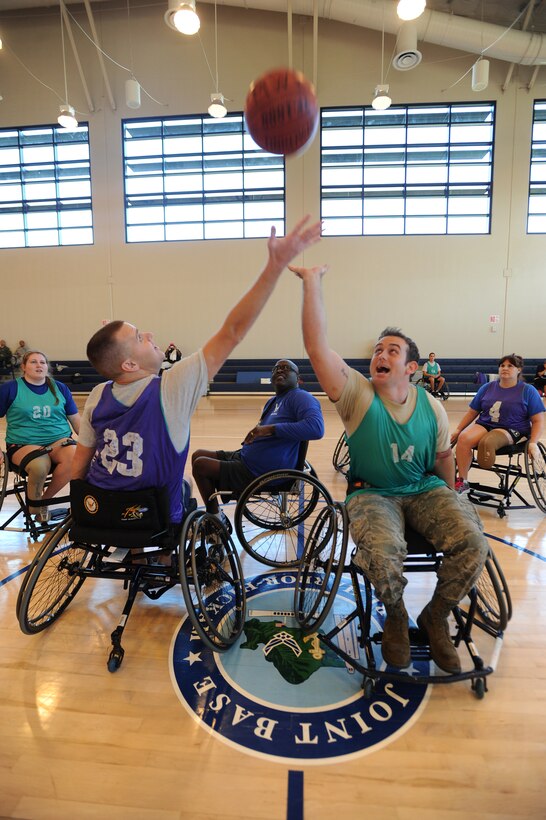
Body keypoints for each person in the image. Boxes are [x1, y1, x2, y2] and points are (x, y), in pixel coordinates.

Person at [289, 262, 489, 675]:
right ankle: (396, 615)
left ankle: (435, 616)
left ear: (411, 368)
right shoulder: (358, 395)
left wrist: (450, 497)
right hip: (372, 493)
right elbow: (316, 348)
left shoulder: (431, 406)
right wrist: (312, 283)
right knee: (382, 554)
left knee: (473, 541)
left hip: (422, 489)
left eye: (391, 351)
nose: (380, 355)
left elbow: (443, 459)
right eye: (377, 350)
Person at [70, 217, 322, 529]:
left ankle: (134, 548)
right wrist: (275, 265)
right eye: (138, 337)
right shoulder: (172, 386)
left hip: (100, 511)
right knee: (183, 489)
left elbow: (79, 464)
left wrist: (80, 511)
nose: (149, 334)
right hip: (151, 516)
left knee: (185, 482)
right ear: (130, 365)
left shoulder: (97, 395)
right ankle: (167, 551)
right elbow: (232, 331)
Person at [191, 359, 324, 521]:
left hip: (264, 471)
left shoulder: (302, 397)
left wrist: (270, 429)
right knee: (197, 454)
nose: (280, 370)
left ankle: (215, 518)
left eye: (286, 368)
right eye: (276, 368)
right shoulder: (273, 401)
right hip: (248, 459)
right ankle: (216, 514)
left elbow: (316, 428)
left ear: (298, 379)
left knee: (201, 465)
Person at [0, 350, 80, 521]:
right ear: (23, 367)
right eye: (33, 362)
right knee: (40, 465)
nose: (39, 365)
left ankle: (43, 501)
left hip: (59, 441)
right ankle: (35, 508)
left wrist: (92, 443)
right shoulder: (10, 388)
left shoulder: (59, 388)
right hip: (23, 444)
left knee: (77, 457)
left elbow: (75, 419)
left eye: (42, 362)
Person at [451, 354, 544, 492]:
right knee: (463, 438)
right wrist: (458, 430)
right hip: (486, 424)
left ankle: (483, 459)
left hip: (512, 428)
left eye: (510, 366)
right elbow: (472, 412)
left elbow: (538, 420)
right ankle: (462, 481)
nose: (505, 368)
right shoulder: (487, 387)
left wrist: (533, 442)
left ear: (519, 370)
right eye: (502, 365)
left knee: (488, 442)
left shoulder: (528, 391)